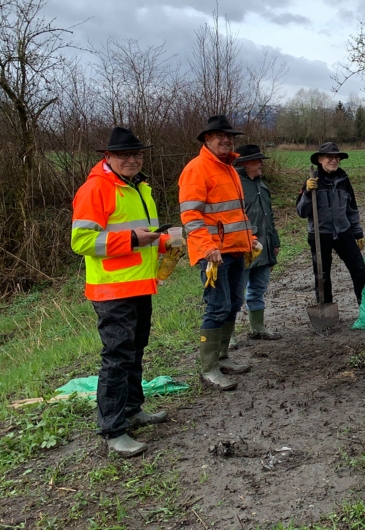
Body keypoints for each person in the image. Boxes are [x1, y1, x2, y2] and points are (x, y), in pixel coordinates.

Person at [71, 127, 182, 457]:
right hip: (111, 291)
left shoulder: (140, 188)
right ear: (108, 158)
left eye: (137, 155)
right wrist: (133, 239)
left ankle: (133, 409)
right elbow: (82, 242)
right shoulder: (96, 190)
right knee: (117, 358)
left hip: (139, 284)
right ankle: (113, 429)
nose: (132, 160)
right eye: (124, 155)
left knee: (135, 350)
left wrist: (165, 240)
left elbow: (142, 235)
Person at [179, 115, 260, 391]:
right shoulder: (197, 169)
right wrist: (207, 247)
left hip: (236, 250)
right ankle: (209, 368)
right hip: (213, 254)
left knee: (234, 303)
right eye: (219, 136)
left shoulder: (229, 169)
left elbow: (236, 214)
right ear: (207, 139)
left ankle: (223, 357)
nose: (226, 140)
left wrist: (251, 239)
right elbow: (191, 216)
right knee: (217, 306)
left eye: (230, 137)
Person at [296, 142, 365, 305]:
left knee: (359, 269)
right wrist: (307, 192)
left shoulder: (344, 179)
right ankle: (325, 308)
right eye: (329, 157)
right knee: (322, 275)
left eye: (336, 157)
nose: (334, 160)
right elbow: (301, 212)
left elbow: (352, 208)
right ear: (320, 159)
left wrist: (358, 232)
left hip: (344, 232)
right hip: (320, 235)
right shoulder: (312, 181)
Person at [232, 144, 282, 343]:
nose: (261, 164)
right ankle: (229, 335)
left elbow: (269, 217)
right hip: (243, 248)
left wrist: (274, 242)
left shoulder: (261, 185)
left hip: (264, 246)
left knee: (259, 288)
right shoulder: (235, 185)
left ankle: (257, 328)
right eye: (257, 161)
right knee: (236, 293)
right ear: (245, 164)